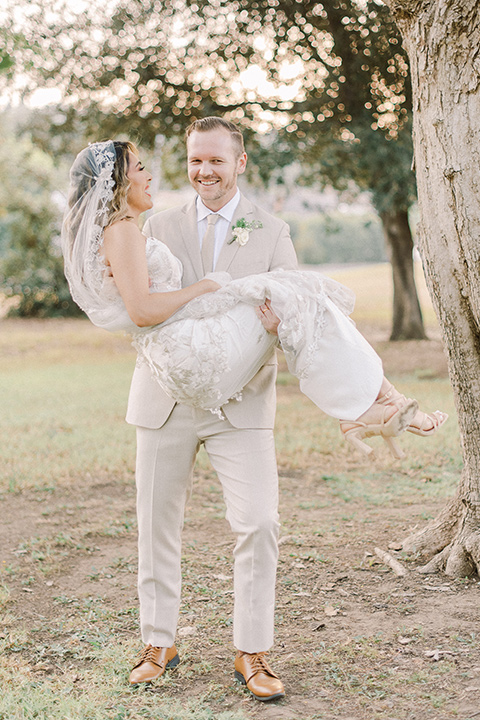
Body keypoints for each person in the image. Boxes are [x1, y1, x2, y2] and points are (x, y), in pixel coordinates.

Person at [61, 122, 447, 701]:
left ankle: (252, 649)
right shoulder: (151, 223)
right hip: (166, 398)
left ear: (240, 162)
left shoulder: (273, 230)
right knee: (155, 525)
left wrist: (275, 326)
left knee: (259, 524)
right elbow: (140, 304)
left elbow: (290, 325)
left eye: (216, 160)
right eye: (194, 160)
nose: (203, 171)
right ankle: (158, 640)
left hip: (241, 401)